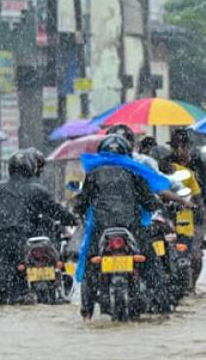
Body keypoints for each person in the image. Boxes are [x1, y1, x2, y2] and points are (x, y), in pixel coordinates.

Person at [73, 134, 175, 319]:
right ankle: (163, 309)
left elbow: (82, 202)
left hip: (102, 230)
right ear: (127, 152)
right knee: (152, 266)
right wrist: (161, 207)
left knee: (90, 267)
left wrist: (78, 211)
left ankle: (86, 311)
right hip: (132, 228)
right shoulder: (134, 172)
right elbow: (149, 201)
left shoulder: (93, 173)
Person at [0, 150, 77, 305]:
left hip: (2, 243)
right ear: (30, 168)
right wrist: (74, 219)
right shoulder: (37, 190)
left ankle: (1, 292)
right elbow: (57, 212)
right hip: (25, 241)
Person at [157, 134, 206, 290]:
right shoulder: (164, 165)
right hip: (168, 217)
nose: (182, 150)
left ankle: (191, 287)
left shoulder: (198, 164)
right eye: (177, 146)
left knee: (195, 256)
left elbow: (204, 192)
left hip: (193, 217)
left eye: (185, 146)